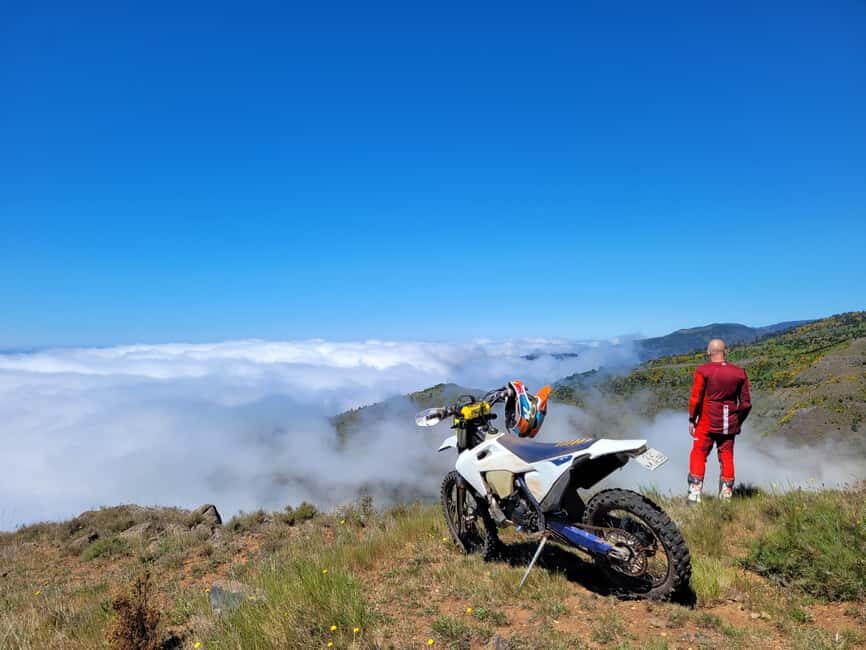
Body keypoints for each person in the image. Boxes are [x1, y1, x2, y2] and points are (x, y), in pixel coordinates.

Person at [687, 338, 751, 503]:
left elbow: (695, 399)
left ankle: (694, 494)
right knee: (727, 455)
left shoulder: (703, 371)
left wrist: (692, 419)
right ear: (725, 351)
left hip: (707, 422)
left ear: (709, 352)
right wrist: (737, 421)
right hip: (729, 423)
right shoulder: (739, 373)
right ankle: (726, 495)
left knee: (699, 453)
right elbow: (746, 403)